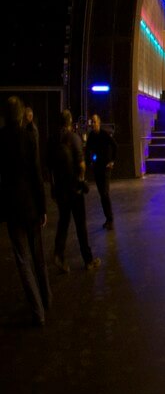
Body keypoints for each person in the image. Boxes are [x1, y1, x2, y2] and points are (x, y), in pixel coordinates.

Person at [2, 97, 52, 326]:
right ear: (23, 115)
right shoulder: (29, 137)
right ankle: (47, 299)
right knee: (38, 256)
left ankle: (37, 312)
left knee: (23, 261)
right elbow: (36, 176)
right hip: (32, 207)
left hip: (12, 210)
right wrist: (43, 208)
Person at [51, 109, 99, 273]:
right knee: (81, 226)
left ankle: (58, 254)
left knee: (63, 223)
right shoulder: (74, 138)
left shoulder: (54, 140)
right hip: (74, 189)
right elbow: (81, 164)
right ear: (70, 121)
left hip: (60, 188)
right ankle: (88, 260)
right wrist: (82, 180)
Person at [85, 113, 116, 230]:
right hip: (97, 168)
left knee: (104, 193)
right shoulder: (91, 136)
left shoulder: (104, 134)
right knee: (102, 194)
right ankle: (108, 219)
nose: (92, 124)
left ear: (99, 122)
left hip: (105, 168)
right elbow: (88, 150)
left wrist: (112, 161)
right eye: (91, 122)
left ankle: (110, 219)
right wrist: (90, 162)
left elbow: (115, 146)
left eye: (94, 122)